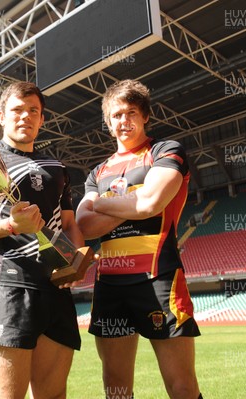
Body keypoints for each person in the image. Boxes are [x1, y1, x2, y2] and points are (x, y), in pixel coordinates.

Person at [0, 81, 84, 399]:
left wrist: (74, 260)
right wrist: (10, 225)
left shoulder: (58, 168)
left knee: (53, 396)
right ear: (1, 116)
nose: (25, 116)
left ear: (42, 119)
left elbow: (69, 223)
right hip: (9, 289)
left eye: (33, 111)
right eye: (17, 110)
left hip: (55, 289)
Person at [76, 79, 203, 399]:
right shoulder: (98, 171)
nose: (124, 121)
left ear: (145, 115)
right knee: (117, 391)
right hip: (109, 285)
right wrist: (136, 203)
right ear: (108, 123)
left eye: (131, 112)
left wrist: (102, 203)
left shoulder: (166, 150)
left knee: (183, 387)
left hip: (159, 278)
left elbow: (152, 203)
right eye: (116, 115)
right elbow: (84, 225)